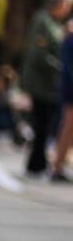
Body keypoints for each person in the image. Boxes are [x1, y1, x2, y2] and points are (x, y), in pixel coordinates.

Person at [19, 0, 72, 177]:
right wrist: (60, 68)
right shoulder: (43, 21)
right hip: (41, 82)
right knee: (42, 123)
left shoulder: (54, 23)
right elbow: (39, 54)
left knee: (45, 124)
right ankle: (36, 164)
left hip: (48, 83)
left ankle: (38, 162)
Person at [50, 27, 73, 183]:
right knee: (68, 128)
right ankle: (57, 166)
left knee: (68, 128)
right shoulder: (70, 40)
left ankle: (59, 164)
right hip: (71, 90)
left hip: (68, 88)